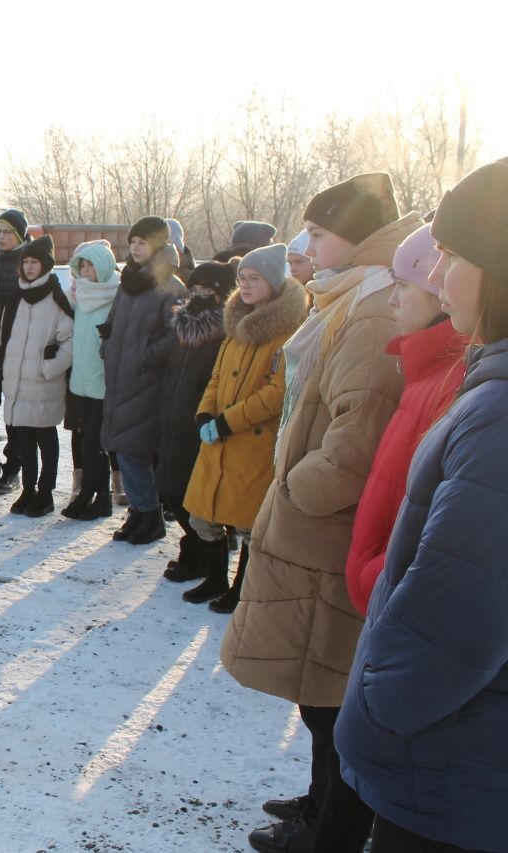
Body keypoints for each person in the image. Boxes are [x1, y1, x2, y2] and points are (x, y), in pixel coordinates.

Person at [219, 173, 418, 853]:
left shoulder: (369, 307)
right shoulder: (348, 296)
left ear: (355, 238)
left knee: (329, 693)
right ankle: (318, 801)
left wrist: (297, 490)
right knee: (316, 687)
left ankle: (331, 829)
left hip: (323, 532)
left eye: (321, 233)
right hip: (312, 530)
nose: (308, 245)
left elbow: (354, 435)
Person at [335, 156, 508, 853]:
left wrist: (376, 705)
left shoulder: (499, 419)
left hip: (455, 778)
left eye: (453, 256)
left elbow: (457, 617)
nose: (434, 279)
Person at [344, 223, 466, 616]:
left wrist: (377, 574)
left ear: (437, 292)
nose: (392, 301)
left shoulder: (452, 378)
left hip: (393, 594)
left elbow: (442, 523)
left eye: (403, 285)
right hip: (383, 591)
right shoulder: (424, 369)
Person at [181, 248, 305, 611]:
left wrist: (228, 421)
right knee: (202, 514)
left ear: (274, 282)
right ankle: (216, 578)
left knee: (249, 523)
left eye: (256, 279)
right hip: (217, 437)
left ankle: (241, 587)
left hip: (252, 442)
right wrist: (205, 413)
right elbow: (217, 377)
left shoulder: (288, 331)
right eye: (243, 278)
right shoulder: (235, 322)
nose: (246, 285)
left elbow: (278, 391)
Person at [99, 216, 187, 544]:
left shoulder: (171, 287)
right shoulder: (129, 283)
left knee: (133, 451)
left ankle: (149, 515)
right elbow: (114, 320)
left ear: (159, 246)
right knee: (123, 450)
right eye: (133, 242)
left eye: (143, 243)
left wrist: (144, 354)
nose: (136, 248)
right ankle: (139, 512)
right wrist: (106, 341)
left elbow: (177, 335)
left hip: (146, 381)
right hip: (121, 379)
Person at [156, 261, 231, 587]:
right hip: (172, 416)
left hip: (199, 423)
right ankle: (193, 547)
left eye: (207, 290)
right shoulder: (183, 325)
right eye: (195, 288)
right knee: (170, 492)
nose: (199, 295)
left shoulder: (224, 331)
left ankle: (203, 554)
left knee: (190, 496)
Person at [0, 235, 74, 517]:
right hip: (17, 381)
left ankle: (46, 493)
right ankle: (28, 489)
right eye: (26, 261)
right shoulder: (16, 296)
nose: (29, 267)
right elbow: (3, 334)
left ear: (46, 265)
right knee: (23, 439)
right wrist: (1, 360)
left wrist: (49, 368)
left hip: (44, 382)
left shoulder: (56, 297)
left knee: (45, 437)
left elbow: (71, 339)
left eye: (35, 261)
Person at [61, 241, 121, 520]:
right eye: (81, 266)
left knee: (94, 444)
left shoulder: (116, 296)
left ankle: (100, 498)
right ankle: (92, 495)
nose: (85, 270)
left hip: (104, 381)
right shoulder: (79, 296)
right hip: (81, 381)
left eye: (90, 265)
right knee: (85, 440)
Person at [0, 209, 29, 494]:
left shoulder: (29, 265)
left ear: (20, 235)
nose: (2, 236)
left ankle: (13, 468)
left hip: (18, 350)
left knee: (14, 413)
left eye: (8, 231)